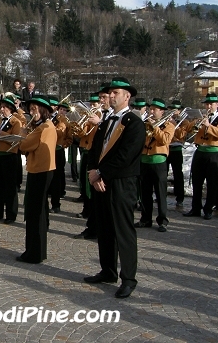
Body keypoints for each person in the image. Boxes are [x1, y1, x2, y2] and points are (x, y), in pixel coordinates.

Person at [85, 77, 145, 299]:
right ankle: (108, 270)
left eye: (116, 93)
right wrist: (92, 172)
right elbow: (94, 149)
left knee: (123, 230)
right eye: (109, 93)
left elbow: (126, 156)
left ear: (127, 96)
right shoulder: (107, 120)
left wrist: (101, 173)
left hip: (121, 181)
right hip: (101, 180)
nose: (111, 96)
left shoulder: (134, 122)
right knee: (105, 228)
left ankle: (128, 278)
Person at [15, 95, 57, 264]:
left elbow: (24, 145)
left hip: (40, 171)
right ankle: (34, 250)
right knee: (36, 212)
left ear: (43, 110)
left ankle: (35, 252)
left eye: (34, 109)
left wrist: (23, 132)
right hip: (40, 170)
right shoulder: (42, 126)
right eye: (30, 109)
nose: (31, 112)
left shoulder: (43, 128)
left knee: (35, 213)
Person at [183, 93, 218, 220]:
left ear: (217, 105)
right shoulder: (202, 117)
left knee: (212, 183)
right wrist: (195, 122)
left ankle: (208, 209)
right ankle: (195, 208)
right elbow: (188, 130)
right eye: (207, 104)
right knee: (196, 182)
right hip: (200, 151)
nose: (209, 106)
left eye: (211, 104)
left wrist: (208, 126)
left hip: (214, 152)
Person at [135, 98, 174, 232]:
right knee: (145, 193)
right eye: (150, 109)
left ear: (162, 112)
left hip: (159, 162)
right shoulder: (145, 123)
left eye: (154, 110)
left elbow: (165, 140)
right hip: (144, 161)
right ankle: (145, 219)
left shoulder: (169, 125)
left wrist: (155, 127)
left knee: (160, 193)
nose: (151, 112)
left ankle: (162, 221)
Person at [0, 96, 22, 223]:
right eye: (1, 107)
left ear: (10, 109)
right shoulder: (0, 121)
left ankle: (11, 214)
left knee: (9, 186)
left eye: (4, 107)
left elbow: (15, 139)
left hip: (9, 156)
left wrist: (0, 132)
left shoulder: (16, 122)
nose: (1, 110)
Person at [73, 92, 101, 240]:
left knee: (93, 188)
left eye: (95, 103)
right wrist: (83, 122)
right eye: (92, 103)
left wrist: (98, 122)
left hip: (97, 154)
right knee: (85, 183)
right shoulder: (91, 117)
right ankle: (87, 212)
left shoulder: (103, 117)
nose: (93, 106)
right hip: (86, 151)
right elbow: (82, 133)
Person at [47, 97, 72, 213]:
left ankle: (56, 204)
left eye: (52, 106)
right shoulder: (45, 118)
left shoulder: (62, 119)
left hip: (57, 150)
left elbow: (67, 136)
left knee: (57, 178)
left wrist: (63, 145)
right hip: (46, 150)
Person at [167, 100, 191, 207]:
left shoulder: (184, 122)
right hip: (166, 148)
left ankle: (180, 197)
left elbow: (181, 135)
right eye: (171, 109)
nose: (173, 112)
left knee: (178, 174)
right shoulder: (167, 120)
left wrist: (175, 124)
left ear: (179, 110)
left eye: (175, 110)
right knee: (163, 173)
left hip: (176, 149)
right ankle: (161, 196)